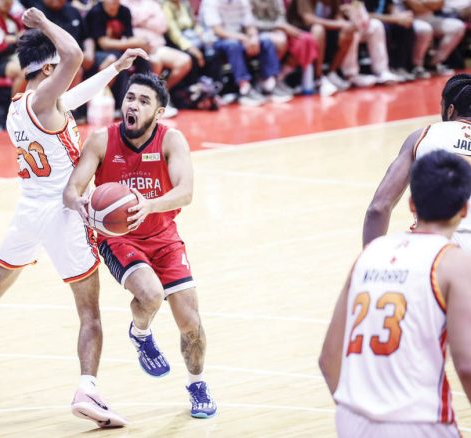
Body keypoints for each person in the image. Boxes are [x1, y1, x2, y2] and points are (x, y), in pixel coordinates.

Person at [0, 7, 148, 428]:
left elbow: (75, 94)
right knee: (89, 311)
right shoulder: (44, 97)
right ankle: (88, 389)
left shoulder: (22, 106)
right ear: (50, 67)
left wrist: (116, 68)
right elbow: (73, 55)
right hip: (64, 212)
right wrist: (43, 25)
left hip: (28, 211)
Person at [63, 74, 217, 419]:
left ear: (158, 112)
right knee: (149, 295)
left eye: (143, 101)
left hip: (163, 237)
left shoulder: (171, 140)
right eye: (130, 98)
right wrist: (79, 203)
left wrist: (149, 204)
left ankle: (197, 384)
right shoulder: (102, 140)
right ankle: (141, 331)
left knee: (190, 321)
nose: (133, 105)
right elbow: (72, 189)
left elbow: (186, 192)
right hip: (120, 239)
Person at [319, 149, 471, 436]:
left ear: (412, 204)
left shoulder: (370, 254)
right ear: (464, 209)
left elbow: (328, 360)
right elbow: (467, 367)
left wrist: (362, 415)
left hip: (352, 420)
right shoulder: (454, 263)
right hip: (419, 421)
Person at [363, 74, 471, 249]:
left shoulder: (423, 135)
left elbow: (378, 207)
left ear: (450, 110)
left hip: (436, 247)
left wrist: (370, 259)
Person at [200, 0, 293, 106]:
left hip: (240, 37)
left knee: (266, 40)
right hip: (216, 41)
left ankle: (269, 83)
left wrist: (253, 37)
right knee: (233, 45)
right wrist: (244, 38)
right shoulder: (210, 2)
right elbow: (218, 31)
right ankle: (244, 88)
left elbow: (249, 25)